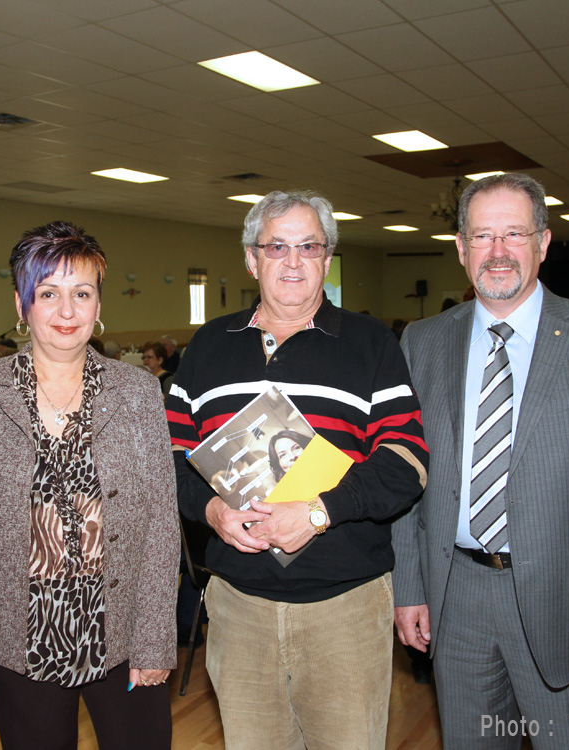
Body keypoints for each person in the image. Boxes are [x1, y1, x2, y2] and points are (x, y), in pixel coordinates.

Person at [393, 173, 569, 749]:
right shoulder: (423, 341)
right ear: (462, 249)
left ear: (543, 243)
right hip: (456, 598)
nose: (497, 252)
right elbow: (407, 475)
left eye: (514, 234)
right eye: (483, 236)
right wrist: (409, 585)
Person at [167, 189, 429, 750]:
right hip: (239, 609)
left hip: (345, 610)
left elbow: (406, 464)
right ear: (250, 258)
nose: (292, 261)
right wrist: (212, 509)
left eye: (308, 247)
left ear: (327, 258)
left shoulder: (370, 344)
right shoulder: (208, 347)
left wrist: (317, 512)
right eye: (276, 246)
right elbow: (171, 461)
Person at [0, 221, 178, 750]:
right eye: (48, 294)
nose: (67, 312)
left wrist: (155, 639)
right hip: (21, 640)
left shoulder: (138, 391)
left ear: (98, 303)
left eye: (81, 293)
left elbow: (160, 520)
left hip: (123, 633)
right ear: (21, 304)